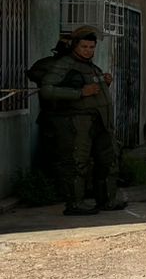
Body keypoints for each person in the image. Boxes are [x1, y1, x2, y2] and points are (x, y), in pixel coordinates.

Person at [38, 26, 123, 216]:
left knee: (108, 160)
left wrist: (104, 82)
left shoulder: (91, 65)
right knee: (78, 162)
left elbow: (92, 88)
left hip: (101, 121)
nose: (88, 50)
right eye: (84, 46)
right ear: (75, 46)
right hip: (79, 122)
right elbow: (47, 89)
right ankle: (75, 203)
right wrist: (79, 93)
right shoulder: (65, 64)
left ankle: (107, 200)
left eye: (91, 47)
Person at [25, 32, 72, 177]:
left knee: (50, 151)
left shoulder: (45, 65)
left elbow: (32, 74)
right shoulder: (69, 67)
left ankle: (50, 180)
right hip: (61, 115)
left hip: (53, 115)